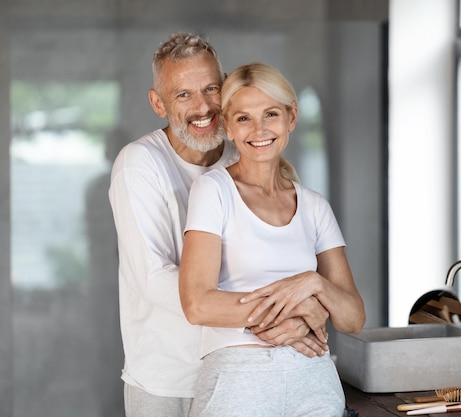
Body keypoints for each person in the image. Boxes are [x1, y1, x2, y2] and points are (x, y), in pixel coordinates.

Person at [109, 33, 329, 417]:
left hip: (245, 372)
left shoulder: (244, 150)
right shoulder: (139, 163)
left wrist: (308, 306)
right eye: (183, 95)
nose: (203, 107)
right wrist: (288, 313)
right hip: (168, 377)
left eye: (212, 88)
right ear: (158, 102)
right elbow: (154, 278)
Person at [179, 62, 366, 417]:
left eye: (271, 114)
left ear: (291, 117)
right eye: (244, 118)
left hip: (314, 382)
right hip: (237, 381)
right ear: (228, 127)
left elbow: (353, 317)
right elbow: (197, 304)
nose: (259, 129)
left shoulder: (314, 206)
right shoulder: (213, 191)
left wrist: (312, 284)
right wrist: (297, 308)